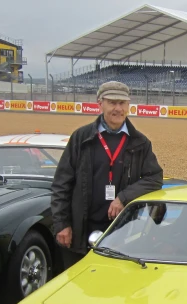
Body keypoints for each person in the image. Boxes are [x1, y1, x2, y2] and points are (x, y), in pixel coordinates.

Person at [51, 80, 164, 269]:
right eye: (112, 102)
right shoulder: (81, 138)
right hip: (81, 230)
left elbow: (154, 178)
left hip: (122, 231)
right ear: (100, 103)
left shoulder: (140, 143)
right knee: (78, 285)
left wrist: (123, 197)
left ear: (128, 105)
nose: (117, 109)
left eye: (122, 103)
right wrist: (62, 224)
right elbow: (62, 184)